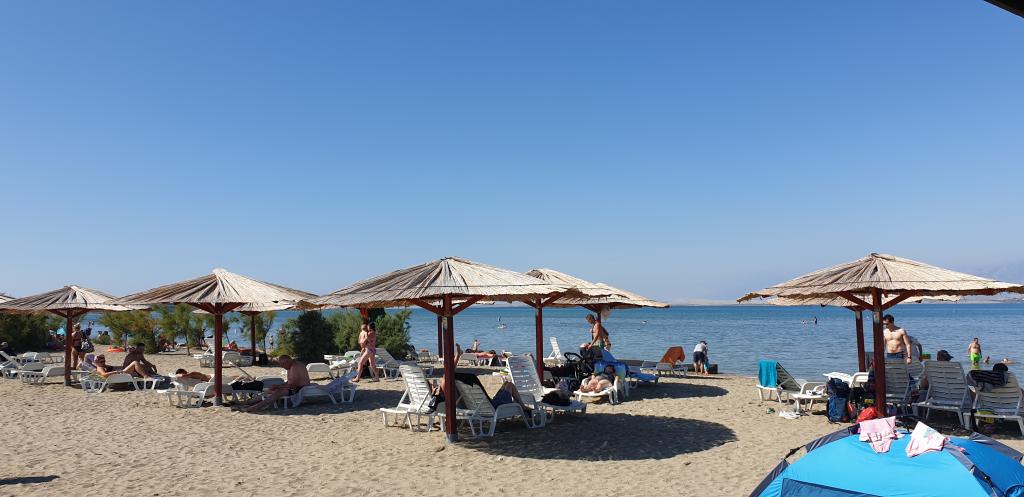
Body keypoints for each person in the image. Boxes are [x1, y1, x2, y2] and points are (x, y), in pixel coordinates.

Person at [240, 355, 310, 412]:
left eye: (283, 365)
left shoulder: (296, 367)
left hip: (300, 388)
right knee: (270, 390)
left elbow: (294, 384)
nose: (282, 367)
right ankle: (249, 402)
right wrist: (279, 385)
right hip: (294, 387)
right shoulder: (291, 366)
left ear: (287, 362)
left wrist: (279, 387)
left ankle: (255, 407)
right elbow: (290, 382)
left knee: (278, 392)